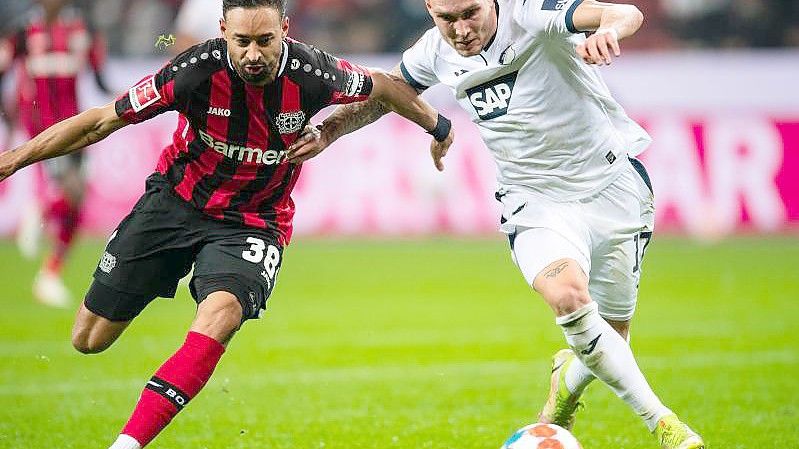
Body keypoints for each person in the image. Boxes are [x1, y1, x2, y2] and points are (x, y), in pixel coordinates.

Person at [0, 0, 453, 447]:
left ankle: (127, 443)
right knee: (88, 338)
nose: (254, 54)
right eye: (241, 41)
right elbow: (100, 122)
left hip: (254, 220)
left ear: (286, 31)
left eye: (265, 41)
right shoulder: (192, 70)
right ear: (222, 31)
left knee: (222, 314)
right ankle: (169, 267)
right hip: (175, 203)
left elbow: (385, 87)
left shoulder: (314, 71)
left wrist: (438, 128)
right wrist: (13, 160)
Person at [286, 0, 704, 448]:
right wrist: (329, 131)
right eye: (447, 19)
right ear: (430, 9)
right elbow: (386, 91)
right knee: (568, 298)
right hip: (534, 201)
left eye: (471, 13)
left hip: (614, 187)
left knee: (612, 339)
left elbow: (624, 13)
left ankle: (567, 380)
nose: (461, 29)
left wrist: (611, 32)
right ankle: (664, 424)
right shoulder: (433, 51)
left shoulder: (534, 14)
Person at [0, 0, 110, 307]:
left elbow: (100, 75)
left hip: (75, 127)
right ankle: (41, 218)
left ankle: (49, 270)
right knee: (74, 192)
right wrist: (9, 117)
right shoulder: (22, 32)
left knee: (78, 203)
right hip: (41, 131)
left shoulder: (82, 29)